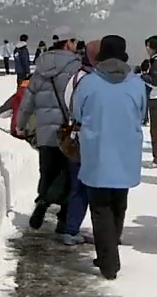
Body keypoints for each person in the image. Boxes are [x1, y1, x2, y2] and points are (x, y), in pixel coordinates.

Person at [72, 34, 147, 281]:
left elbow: (77, 113)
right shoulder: (136, 84)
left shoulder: (89, 83)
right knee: (118, 203)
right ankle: (109, 249)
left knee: (100, 208)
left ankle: (108, 261)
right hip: (126, 154)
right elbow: (142, 113)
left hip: (97, 153)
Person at [16, 27, 83, 232]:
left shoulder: (41, 68)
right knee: (69, 175)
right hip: (67, 132)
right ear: (67, 42)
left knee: (46, 171)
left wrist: (21, 124)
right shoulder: (75, 68)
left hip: (45, 131)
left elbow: (28, 101)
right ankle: (63, 220)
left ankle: (43, 200)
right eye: (74, 40)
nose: (76, 44)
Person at [58, 38, 101, 246]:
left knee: (78, 186)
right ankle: (77, 229)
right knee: (90, 186)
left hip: (75, 136)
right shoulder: (93, 80)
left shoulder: (76, 77)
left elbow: (68, 103)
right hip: (89, 137)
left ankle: (71, 228)